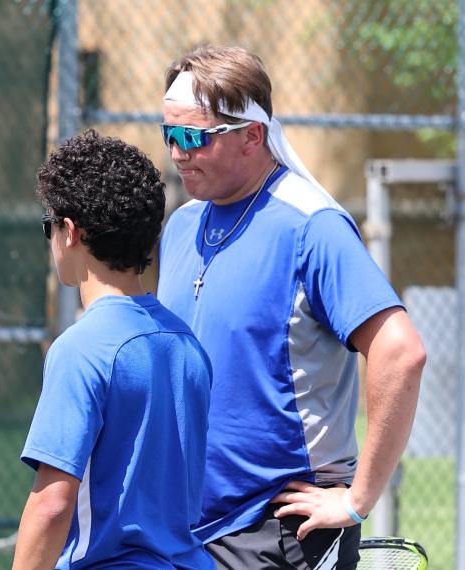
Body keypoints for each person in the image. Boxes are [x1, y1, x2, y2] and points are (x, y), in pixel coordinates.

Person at [156, 45, 426, 569]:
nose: (178, 152)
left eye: (194, 137)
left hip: (278, 533)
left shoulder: (312, 226)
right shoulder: (183, 225)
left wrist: (356, 499)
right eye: (169, 134)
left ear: (252, 135)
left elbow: (401, 353)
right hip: (188, 528)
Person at [14, 130, 214, 569]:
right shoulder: (187, 345)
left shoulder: (80, 350)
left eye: (48, 225)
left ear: (70, 232)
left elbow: (52, 504)